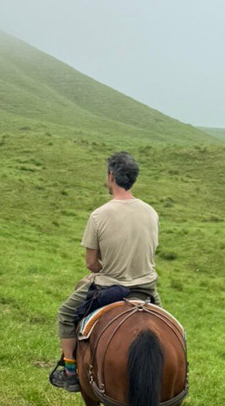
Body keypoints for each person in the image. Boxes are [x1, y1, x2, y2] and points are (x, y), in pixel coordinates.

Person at [49, 151, 161, 392]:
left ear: (111, 176)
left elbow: (91, 264)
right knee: (170, 328)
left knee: (66, 314)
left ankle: (69, 372)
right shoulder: (151, 212)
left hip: (110, 288)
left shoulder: (99, 215)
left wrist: (103, 268)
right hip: (147, 289)